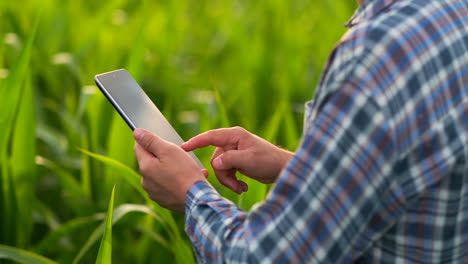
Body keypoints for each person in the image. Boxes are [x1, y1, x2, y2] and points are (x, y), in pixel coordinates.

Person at [133, 0, 468, 262]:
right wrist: (298, 166)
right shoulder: (451, 14)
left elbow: (268, 257)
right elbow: (415, 166)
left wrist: (190, 193)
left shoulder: (375, 55)